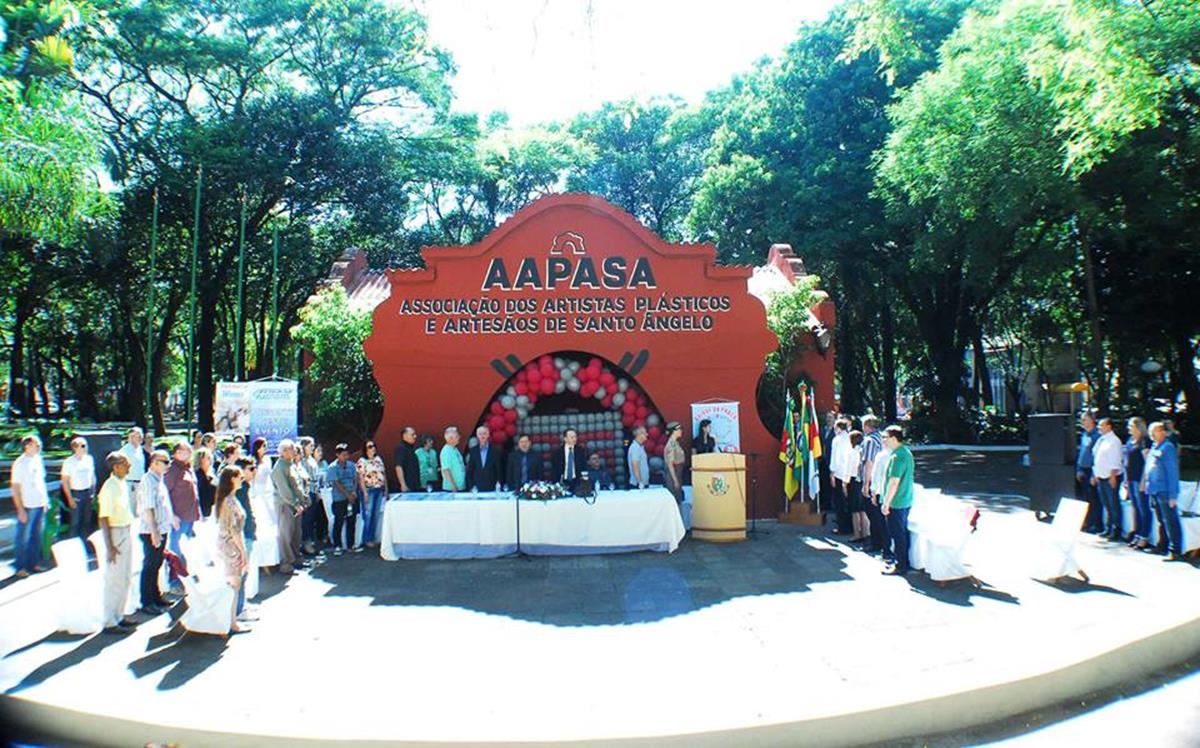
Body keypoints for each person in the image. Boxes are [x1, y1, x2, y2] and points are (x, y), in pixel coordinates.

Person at [97, 452, 137, 633]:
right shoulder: (108, 487)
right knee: (114, 579)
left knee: (126, 577)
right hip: (115, 533)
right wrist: (110, 546)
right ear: (116, 467)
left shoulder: (121, 484)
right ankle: (110, 620)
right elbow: (103, 518)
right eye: (125, 464)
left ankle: (119, 615)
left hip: (126, 530)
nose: (129, 467)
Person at [136, 450, 173, 614]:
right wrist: (154, 532)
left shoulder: (159, 479)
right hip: (151, 530)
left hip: (162, 528)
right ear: (154, 462)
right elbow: (148, 508)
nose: (168, 465)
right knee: (150, 565)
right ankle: (147, 601)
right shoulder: (148, 481)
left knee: (157, 563)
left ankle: (156, 595)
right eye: (165, 462)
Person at [213, 465, 249, 634]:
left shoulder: (230, 499)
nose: (242, 479)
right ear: (231, 479)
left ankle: (230, 620)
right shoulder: (228, 501)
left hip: (228, 544)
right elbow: (234, 530)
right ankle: (231, 622)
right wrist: (243, 552)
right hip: (230, 546)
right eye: (239, 476)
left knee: (234, 584)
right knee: (233, 584)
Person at [1143, 421, 1183, 561]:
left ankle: (1175, 550)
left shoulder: (1168, 448)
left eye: (1156, 431)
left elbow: (1172, 472)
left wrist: (1173, 494)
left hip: (1165, 490)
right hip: (1154, 489)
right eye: (1151, 431)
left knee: (1170, 520)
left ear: (1164, 432)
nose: (1152, 434)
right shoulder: (1154, 447)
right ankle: (1162, 545)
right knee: (1161, 520)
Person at [11, 435, 50, 577]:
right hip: (27, 505)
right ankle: (20, 567)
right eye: (36, 445)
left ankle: (33, 564)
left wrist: (45, 501)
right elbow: (15, 488)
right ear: (27, 446)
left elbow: (41, 481)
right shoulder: (20, 463)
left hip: (40, 503)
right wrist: (20, 509)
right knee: (23, 537)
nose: (39, 447)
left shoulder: (38, 460)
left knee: (36, 536)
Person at [164, 442, 200, 590]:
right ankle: (176, 579)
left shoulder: (187, 468)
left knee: (187, 548)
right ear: (176, 453)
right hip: (178, 518)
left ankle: (185, 576)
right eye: (184, 451)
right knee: (174, 549)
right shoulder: (172, 470)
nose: (188, 453)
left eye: (189, 451)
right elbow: (164, 495)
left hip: (190, 517)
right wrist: (172, 515)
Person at [880, 425, 914, 576]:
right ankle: (904, 562)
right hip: (905, 499)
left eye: (885, 438)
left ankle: (901, 565)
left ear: (894, 438)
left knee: (897, 534)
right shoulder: (905, 453)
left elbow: (894, 481)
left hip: (896, 501)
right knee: (903, 533)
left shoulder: (897, 456)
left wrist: (886, 503)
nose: (883, 441)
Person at [272, 439, 308, 570]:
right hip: (285, 505)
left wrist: (303, 500)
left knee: (296, 532)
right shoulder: (279, 468)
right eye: (292, 449)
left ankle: (295, 557)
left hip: (296, 505)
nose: (295, 451)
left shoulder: (290, 464)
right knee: (285, 534)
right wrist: (295, 503)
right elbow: (284, 489)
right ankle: (286, 562)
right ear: (284, 451)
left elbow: (297, 484)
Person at [61, 436, 97, 551]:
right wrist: (70, 498)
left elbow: (92, 476)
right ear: (74, 448)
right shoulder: (68, 462)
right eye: (81, 446)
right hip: (76, 493)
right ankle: (72, 547)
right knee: (75, 521)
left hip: (88, 493)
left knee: (87, 521)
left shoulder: (89, 459)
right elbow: (65, 481)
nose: (84, 448)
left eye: (85, 445)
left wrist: (93, 491)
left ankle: (85, 545)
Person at [1092, 417, 1124, 541]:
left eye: (1102, 425)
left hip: (1110, 477)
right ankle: (1108, 528)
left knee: (1113, 504)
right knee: (1106, 504)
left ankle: (1116, 530)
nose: (1099, 428)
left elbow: (1114, 460)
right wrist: (1096, 475)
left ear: (1109, 426)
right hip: (1101, 476)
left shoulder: (1114, 441)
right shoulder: (1101, 440)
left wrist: (1112, 477)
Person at [233, 458, 258, 618]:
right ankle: (238, 609)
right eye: (251, 468)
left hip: (248, 534)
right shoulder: (239, 490)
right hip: (243, 536)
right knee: (241, 572)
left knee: (244, 572)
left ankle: (241, 606)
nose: (254, 471)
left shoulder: (245, 487)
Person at [859, 416, 886, 555]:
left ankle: (877, 542)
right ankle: (881, 541)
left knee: (872, 513)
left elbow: (869, 462)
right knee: (877, 514)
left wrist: (866, 483)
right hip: (880, 480)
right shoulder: (881, 438)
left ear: (867, 426)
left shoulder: (869, 441)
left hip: (872, 481)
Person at [867, 422, 893, 563]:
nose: (882, 440)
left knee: (882, 523)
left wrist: (873, 491)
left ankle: (886, 550)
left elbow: (876, 476)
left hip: (881, 492)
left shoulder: (882, 456)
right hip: (889, 492)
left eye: (885, 438)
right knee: (889, 524)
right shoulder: (894, 454)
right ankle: (888, 549)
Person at [326, 444, 360, 554]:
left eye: (347, 454)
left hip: (352, 496)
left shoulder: (351, 465)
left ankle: (351, 545)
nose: (346, 457)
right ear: (337, 455)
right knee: (339, 521)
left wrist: (353, 492)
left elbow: (355, 479)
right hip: (339, 498)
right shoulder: (333, 467)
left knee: (352, 520)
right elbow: (336, 483)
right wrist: (347, 495)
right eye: (343, 454)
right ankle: (337, 545)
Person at [1124, 417, 1152, 549]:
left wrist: (1143, 481)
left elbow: (1147, 463)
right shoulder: (1130, 441)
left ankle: (1144, 536)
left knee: (1143, 508)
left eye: (1131, 426)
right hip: (1131, 479)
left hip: (1140, 479)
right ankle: (1137, 533)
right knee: (1135, 508)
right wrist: (1126, 479)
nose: (1129, 429)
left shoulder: (1144, 442)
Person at [1075, 413, 1102, 533]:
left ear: (1092, 420)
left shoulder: (1097, 436)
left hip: (1092, 470)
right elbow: (1081, 453)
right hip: (1083, 469)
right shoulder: (1084, 435)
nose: (1083, 422)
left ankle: (1096, 524)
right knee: (1085, 498)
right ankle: (1087, 522)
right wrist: (1079, 469)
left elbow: (1097, 456)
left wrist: (1094, 474)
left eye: (1085, 420)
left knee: (1093, 498)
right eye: (1082, 420)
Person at [298, 437, 323, 555]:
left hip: (314, 491)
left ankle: (310, 542)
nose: (312, 448)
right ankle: (305, 544)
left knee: (312, 519)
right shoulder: (301, 461)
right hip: (306, 492)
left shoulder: (311, 460)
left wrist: (317, 492)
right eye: (310, 446)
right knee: (306, 520)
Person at [829, 418, 853, 535]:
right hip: (849, 473)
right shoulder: (850, 438)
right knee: (848, 500)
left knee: (840, 501)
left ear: (838, 428)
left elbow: (835, 458)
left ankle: (842, 527)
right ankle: (850, 526)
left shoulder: (837, 440)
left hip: (839, 473)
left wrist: (832, 472)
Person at [465, 425, 504, 492]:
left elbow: (499, 469)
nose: (482, 436)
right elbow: (470, 470)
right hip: (476, 487)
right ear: (477, 436)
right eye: (480, 434)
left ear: (488, 435)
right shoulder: (473, 451)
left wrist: (499, 484)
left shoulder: (495, 450)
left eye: (484, 433)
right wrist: (471, 486)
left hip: (492, 486)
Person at [847, 430, 868, 543]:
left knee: (855, 510)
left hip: (854, 480)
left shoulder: (852, 452)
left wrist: (845, 483)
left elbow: (849, 469)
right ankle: (865, 533)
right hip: (862, 480)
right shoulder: (863, 451)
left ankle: (857, 534)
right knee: (863, 509)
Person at [552, 427, 587, 493]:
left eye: (575, 437)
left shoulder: (581, 451)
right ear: (565, 439)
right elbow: (554, 470)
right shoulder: (557, 452)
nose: (574, 439)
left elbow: (584, 468)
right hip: (562, 482)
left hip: (577, 483)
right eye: (572, 437)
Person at [663, 421, 686, 504]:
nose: (681, 431)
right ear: (674, 431)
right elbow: (670, 463)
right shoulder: (671, 444)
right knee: (674, 500)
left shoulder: (675, 443)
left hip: (677, 472)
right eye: (679, 429)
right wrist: (675, 480)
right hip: (673, 474)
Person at [393, 427, 422, 493]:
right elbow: (398, 467)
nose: (415, 436)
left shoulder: (411, 449)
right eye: (412, 435)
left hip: (415, 485)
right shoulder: (401, 449)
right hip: (407, 486)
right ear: (405, 436)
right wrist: (403, 484)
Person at [440, 427, 466, 492]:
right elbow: (446, 470)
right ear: (450, 438)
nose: (459, 437)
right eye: (457, 436)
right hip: (452, 488)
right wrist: (453, 485)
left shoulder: (455, 449)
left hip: (460, 487)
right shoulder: (446, 451)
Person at [194, 447, 218, 518]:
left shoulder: (210, 476)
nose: (210, 460)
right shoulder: (198, 476)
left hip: (209, 512)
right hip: (201, 514)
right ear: (200, 460)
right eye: (207, 458)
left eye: (210, 458)